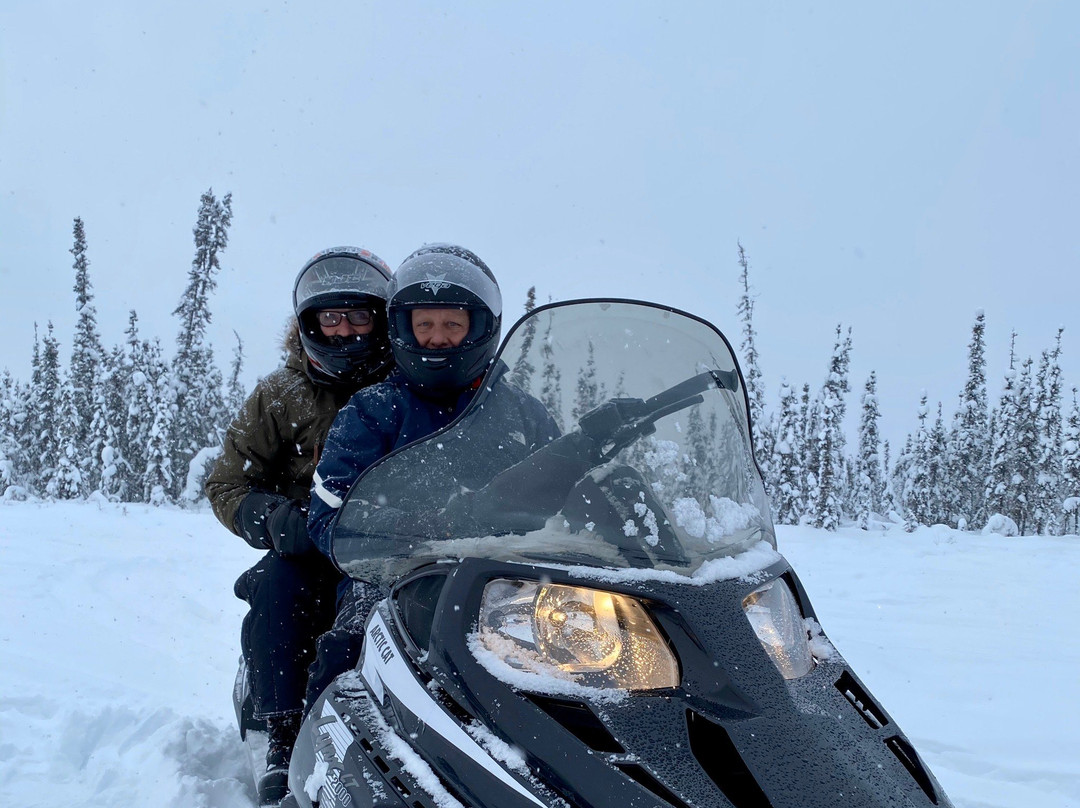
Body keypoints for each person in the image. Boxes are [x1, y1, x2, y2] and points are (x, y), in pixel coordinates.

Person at [303, 243, 565, 707]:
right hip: (390, 577)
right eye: (425, 324)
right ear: (403, 329)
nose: (438, 338)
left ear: (478, 329)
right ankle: (316, 750)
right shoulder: (372, 410)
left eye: (452, 324)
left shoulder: (523, 416)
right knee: (348, 648)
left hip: (514, 577)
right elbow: (328, 518)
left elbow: (568, 495)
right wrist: (426, 529)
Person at [205, 246, 394, 807]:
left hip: (394, 546)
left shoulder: (410, 386)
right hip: (307, 543)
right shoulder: (280, 393)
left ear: (379, 319)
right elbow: (227, 480)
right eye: (329, 318)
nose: (343, 330)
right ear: (308, 323)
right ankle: (282, 737)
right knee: (276, 592)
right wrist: (272, 518)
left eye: (357, 316)